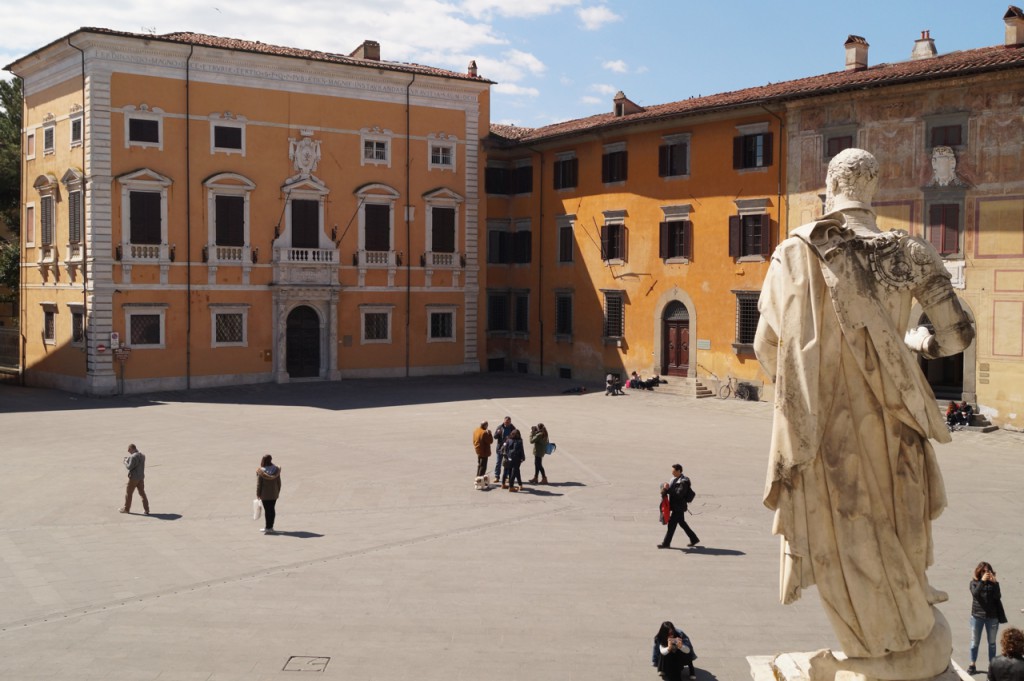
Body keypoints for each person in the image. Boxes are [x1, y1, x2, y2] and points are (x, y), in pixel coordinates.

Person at [754, 149, 975, 680]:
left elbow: (766, 348)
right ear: (873, 189)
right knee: (897, 536)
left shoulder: (793, 253)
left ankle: (872, 648)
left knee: (843, 542)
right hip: (894, 431)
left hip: (824, 440)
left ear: (830, 187)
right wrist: (911, 344)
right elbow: (955, 336)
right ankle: (904, 642)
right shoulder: (910, 252)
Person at [969, 561, 1007, 675]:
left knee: (992, 643)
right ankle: (972, 664)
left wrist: (995, 583)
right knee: (974, 642)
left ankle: (992, 666)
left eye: (988, 571)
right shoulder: (974, 583)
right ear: (979, 572)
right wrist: (982, 581)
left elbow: (998, 596)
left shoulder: (994, 584)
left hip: (992, 617)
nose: (986, 573)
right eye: (984, 571)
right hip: (977, 616)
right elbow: (975, 594)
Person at [658, 464, 699, 549]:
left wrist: (668, 489)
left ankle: (666, 543)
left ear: (679, 471)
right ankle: (694, 538)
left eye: (674, 471)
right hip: (676, 506)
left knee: (672, 525)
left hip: (679, 507)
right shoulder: (674, 479)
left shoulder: (684, 482)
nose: (672, 473)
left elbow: (679, 494)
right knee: (682, 523)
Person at [119, 443, 150, 515]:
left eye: (129, 450)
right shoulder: (142, 455)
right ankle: (147, 509)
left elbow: (129, 467)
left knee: (129, 493)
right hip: (141, 477)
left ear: (132, 448)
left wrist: (125, 462)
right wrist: (129, 459)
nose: (128, 451)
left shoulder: (133, 457)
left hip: (133, 478)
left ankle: (126, 509)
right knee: (142, 493)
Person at [256, 454, 282, 534]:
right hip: (274, 494)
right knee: (272, 509)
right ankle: (271, 527)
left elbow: (259, 485)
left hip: (265, 495)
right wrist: (277, 492)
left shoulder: (261, 471)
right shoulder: (276, 470)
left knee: (267, 510)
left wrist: (258, 494)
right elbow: (279, 483)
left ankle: (268, 527)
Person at [493, 416, 515, 482]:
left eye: (508, 422)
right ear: (504, 421)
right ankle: (497, 476)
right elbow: (495, 437)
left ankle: (506, 477)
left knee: (507, 463)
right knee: (498, 462)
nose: (507, 423)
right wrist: (498, 433)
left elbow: (516, 437)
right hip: (500, 448)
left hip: (508, 449)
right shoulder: (500, 427)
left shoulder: (512, 428)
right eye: (505, 422)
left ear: (510, 422)